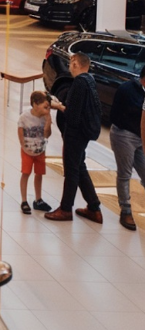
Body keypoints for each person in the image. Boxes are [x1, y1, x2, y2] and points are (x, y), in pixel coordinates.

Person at [45, 53, 104, 223]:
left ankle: (65, 209)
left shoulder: (79, 83)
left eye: (71, 62)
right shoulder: (90, 80)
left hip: (75, 134)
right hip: (85, 133)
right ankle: (94, 207)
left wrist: (58, 106)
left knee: (71, 170)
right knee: (80, 167)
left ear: (75, 63)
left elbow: (72, 115)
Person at [109, 69, 145, 230]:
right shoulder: (127, 89)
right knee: (125, 173)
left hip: (140, 138)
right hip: (124, 134)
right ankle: (125, 209)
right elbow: (115, 115)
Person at [18, 91, 54, 214]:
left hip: (40, 150)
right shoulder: (24, 117)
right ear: (35, 104)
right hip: (27, 151)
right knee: (26, 173)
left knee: (39, 174)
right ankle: (24, 200)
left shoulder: (45, 118)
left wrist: (48, 122)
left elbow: (47, 135)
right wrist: (24, 146)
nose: (47, 109)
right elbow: (20, 131)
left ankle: (38, 199)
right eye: (45, 107)